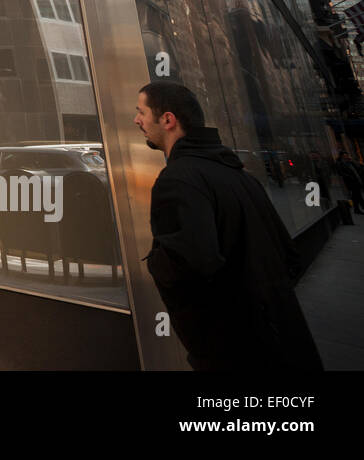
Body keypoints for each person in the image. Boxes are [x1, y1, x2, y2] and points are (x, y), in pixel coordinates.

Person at [134, 81, 322, 370]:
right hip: (283, 337)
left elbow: (187, 268)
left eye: (142, 112)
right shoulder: (240, 176)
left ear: (168, 120)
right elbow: (287, 255)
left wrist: (156, 261)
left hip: (233, 351)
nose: (137, 120)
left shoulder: (178, 179)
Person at [335, 151, 364, 215]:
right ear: (341, 156)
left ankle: (357, 209)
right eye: (344, 155)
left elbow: (358, 167)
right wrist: (349, 177)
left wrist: (352, 160)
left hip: (357, 180)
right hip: (350, 181)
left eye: (346, 155)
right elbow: (340, 173)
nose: (346, 156)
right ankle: (358, 208)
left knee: (356, 195)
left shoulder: (349, 162)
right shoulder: (339, 163)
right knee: (357, 194)